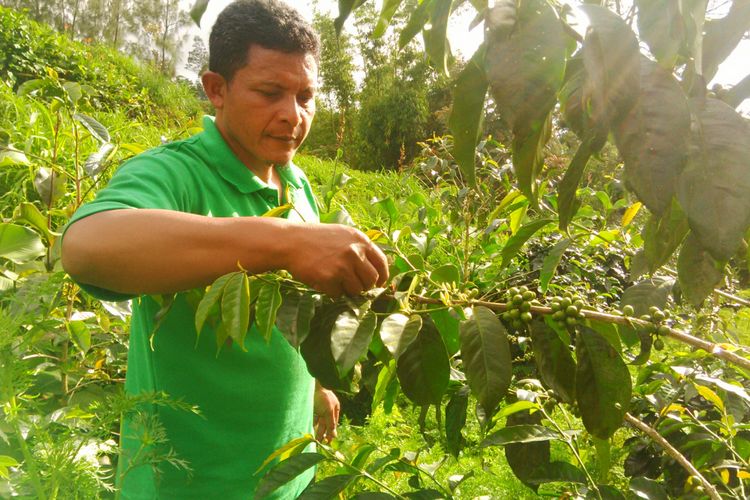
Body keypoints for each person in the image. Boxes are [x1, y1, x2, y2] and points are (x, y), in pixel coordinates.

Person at [61, 0, 388, 497]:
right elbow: (88, 245)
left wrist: (316, 386)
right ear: (216, 89)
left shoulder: (299, 188)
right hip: (187, 480)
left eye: (306, 96)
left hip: (283, 473)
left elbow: (288, 316)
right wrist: (282, 243)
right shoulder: (176, 174)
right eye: (269, 92)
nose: (292, 115)